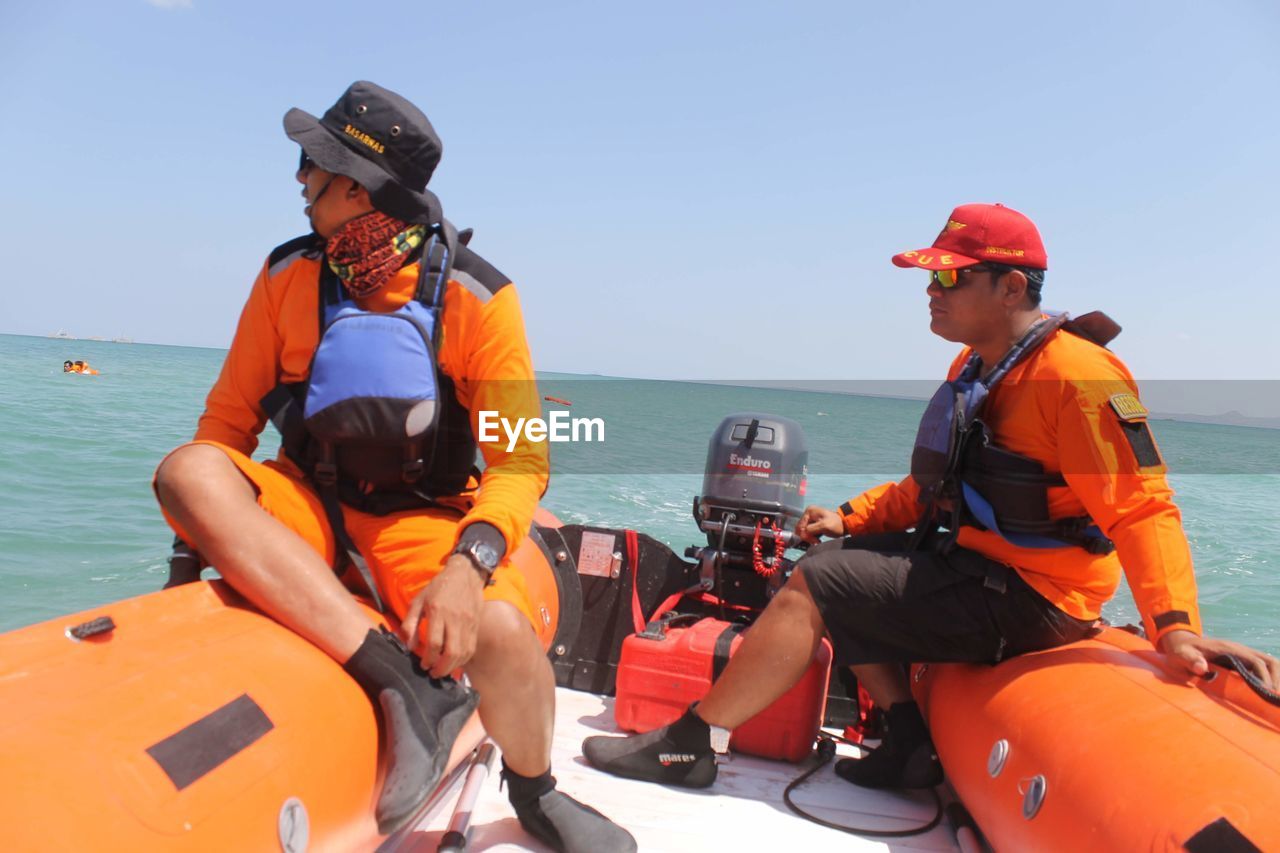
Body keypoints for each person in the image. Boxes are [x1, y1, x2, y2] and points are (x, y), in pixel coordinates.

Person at [581, 202, 1280, 791]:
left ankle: (692, 741)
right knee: (838, 554)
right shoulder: (978, 366)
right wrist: (849, 516)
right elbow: (931, 487)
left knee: (819, 582)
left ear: (1011, 287)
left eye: (949, 274)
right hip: (979, 567)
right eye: (932, 275)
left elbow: (1143, 506)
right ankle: (909, 741)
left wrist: (1174, 624)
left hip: (1035, 596)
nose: (931, 289)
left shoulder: (1080, 378)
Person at [154, 81, 634, 852]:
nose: (301, 180)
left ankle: (536, 789)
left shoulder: (480, 298)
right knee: (188, 472)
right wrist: (193, 552)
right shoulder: (285, 277)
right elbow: (226, 425)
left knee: (506, 635)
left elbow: (520, 460)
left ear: (356, 186)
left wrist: (468, 567)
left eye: (313, 164)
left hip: (423, 519)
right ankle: (405, 682)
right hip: (307, 505)